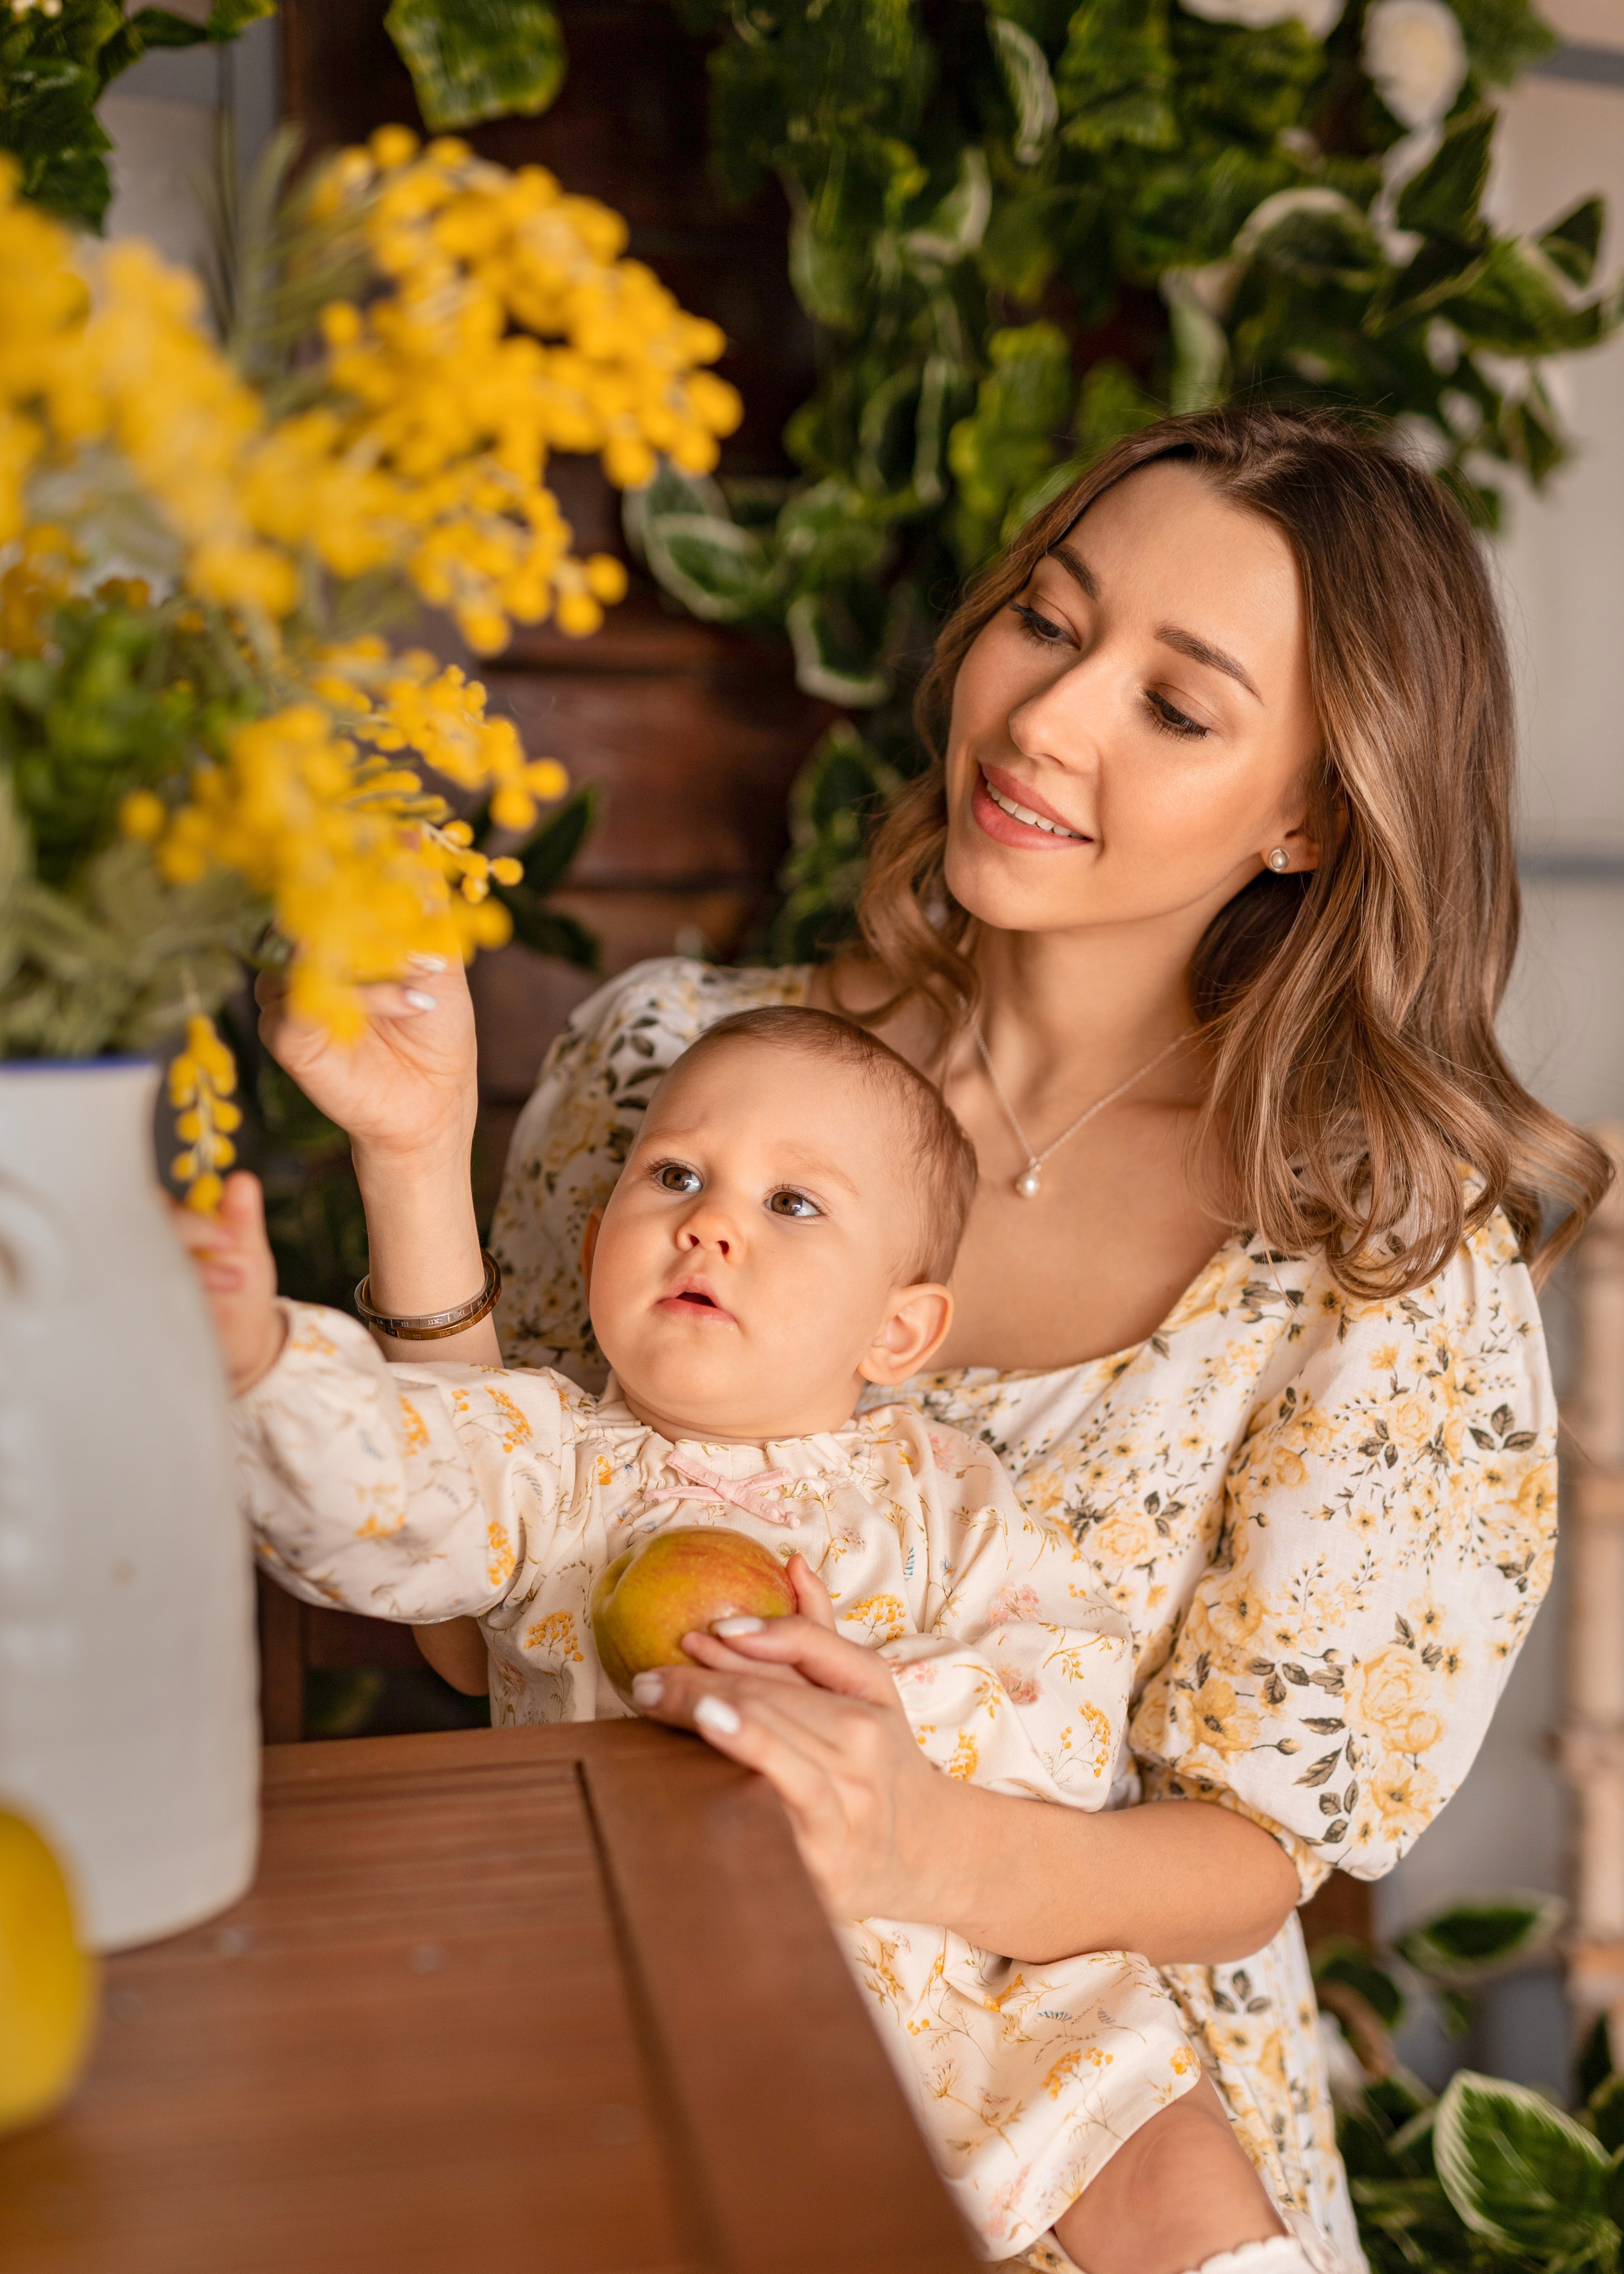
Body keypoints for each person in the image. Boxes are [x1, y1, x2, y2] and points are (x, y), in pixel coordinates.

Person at [249, 405, 1611, 2273]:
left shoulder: (1371, 1260)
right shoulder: (677, 1067)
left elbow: (1251, 1854)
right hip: (643, 2048)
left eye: (1178, 704)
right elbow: (478, 1603)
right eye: (1050, 624)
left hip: (1114, 2153)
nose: (1049, 719)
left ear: (1311, 810)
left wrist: (918, 1850)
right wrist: (412, 1152)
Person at [186, 1006, 1318, 2274]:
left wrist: (887, 1709)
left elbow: (1061, 1691)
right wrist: (265, 1366)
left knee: (1159, 2145)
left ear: (898, 1330)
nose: (709, 1220)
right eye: (674, 1174)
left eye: (792, 1204)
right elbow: (388, 1491)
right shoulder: (547, 1462)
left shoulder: (948, 1492)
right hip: (676, 1991)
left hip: (984, 1987)